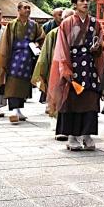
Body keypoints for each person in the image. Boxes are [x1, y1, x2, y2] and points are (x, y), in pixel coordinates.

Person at [47, 0, 104, 151]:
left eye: (87, 0)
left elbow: (100, 43)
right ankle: (71, 136)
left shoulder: (95, 23)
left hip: (90, 66)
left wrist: (98, 48)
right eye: (82, 1)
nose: (85, 3)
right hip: (73, 64)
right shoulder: (66, 23)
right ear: (75, 4)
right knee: (71, 101)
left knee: (90, 99)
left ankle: (87, 135)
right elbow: (62, 47)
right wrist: (65, 67)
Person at [0, 1, 45, 124]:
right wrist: (4, 57)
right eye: (25, 8)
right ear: (19, 10)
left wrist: (36, 44)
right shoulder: (12, 25)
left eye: (29, 8)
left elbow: (42, 38)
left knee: (24, 83)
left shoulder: (34, 25)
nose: (27, 10)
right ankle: (13, 110)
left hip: (28, 57)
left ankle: (19, 109)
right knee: (13, 82)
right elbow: (6, 42)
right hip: (14, 57)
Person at [33, 8, 74, 137]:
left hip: (74, 71)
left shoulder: (79, 33)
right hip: (56, 70)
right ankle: (56, 123)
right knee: (57, 97)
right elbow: (45, 55)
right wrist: (42, 72)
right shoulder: (53, 33)